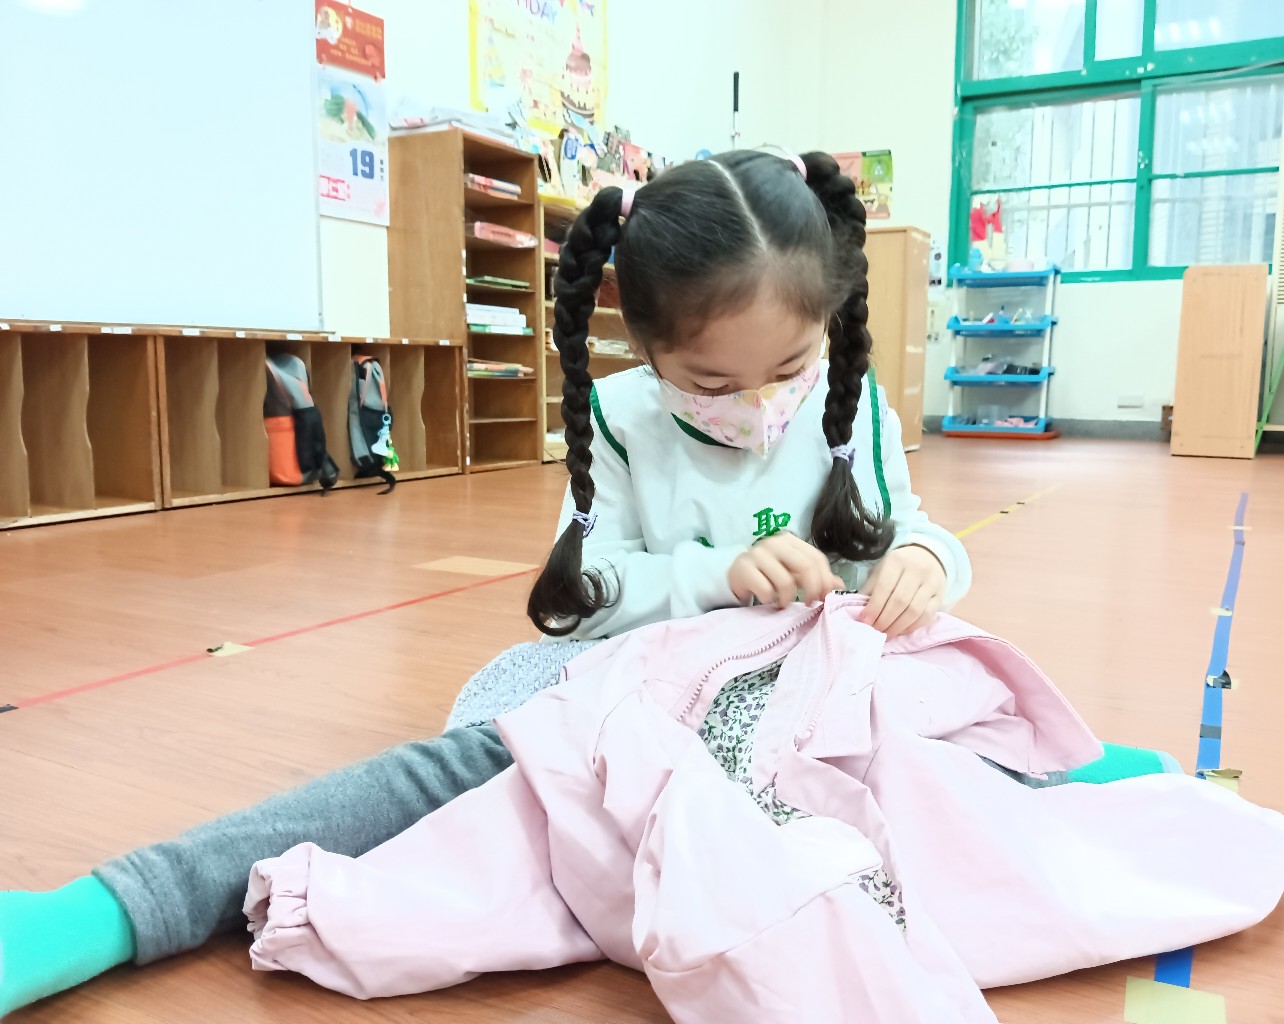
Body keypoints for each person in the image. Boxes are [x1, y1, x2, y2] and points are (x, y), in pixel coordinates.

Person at [0, 151, 1175, 1017]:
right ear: (642, 348)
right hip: (634, 680)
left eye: (788, 366)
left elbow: (904, 535)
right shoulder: (614, 420)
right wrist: (714, 573)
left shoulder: (850, 401)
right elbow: (586, 588)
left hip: (804, 681)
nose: (757, 403)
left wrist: (925, 560)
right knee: (449, 777)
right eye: (709, 380)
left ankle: (1055, 764)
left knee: (939, 729)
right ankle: (115, 907)